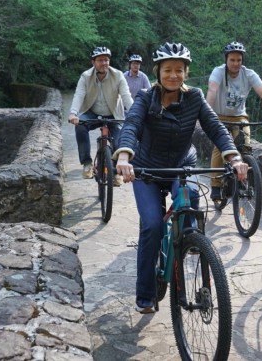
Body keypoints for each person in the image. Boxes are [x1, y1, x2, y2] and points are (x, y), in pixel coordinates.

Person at [114, 42, 249, 314]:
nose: (173, 75)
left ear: (186, 72)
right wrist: (124, 156)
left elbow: (215, 128)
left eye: (179, 70)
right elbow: (132, 125)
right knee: (151, 225)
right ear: (158, 72)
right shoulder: (145, 97)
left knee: (190, 204)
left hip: (180, 167)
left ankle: (188, 242)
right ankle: (145, 295)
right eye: (167, 70)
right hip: (147, 170)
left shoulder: (195, 98)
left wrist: (233, 157)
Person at [205, 41, 262, 206]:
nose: (235, 64)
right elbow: (212, 91)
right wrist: (207, 115)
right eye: (232, 60)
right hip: (218, 115)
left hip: (240, 117)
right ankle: (216, 186)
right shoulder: (218, 72)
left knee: (245, 147)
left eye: (239, 60)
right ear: (226, 60)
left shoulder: (249, 74)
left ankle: (241, 181)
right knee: (220, 148)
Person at [69, 46, 134, 184]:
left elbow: (126, 96)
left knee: (119, 140)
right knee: (80, 126)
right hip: (92, 112)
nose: (104, 63)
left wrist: (135, 114)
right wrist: (73, 113)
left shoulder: (118, 75)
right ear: (93, 62)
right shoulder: (86, 76)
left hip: (113, 114)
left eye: (106, 60)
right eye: (100, 60)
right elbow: (79, 95)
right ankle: (87, 163)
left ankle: (116, 173)